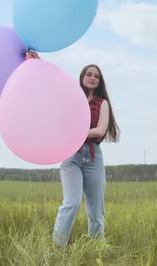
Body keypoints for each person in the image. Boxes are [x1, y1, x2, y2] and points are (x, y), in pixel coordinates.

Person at [52, 62, 120, 247]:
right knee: (71, 203)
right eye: (89, 74)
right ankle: (58, 247)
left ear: (99, 82)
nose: (92, 78)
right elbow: (53, 85)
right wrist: (36, 60)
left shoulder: (102, 103)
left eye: (96, 76)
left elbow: (100, 131)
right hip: (71, 157)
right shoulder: (73, 99)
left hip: (93, 158)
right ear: (82, 77)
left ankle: (95, 249)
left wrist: (76, 131)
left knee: (96, 210)